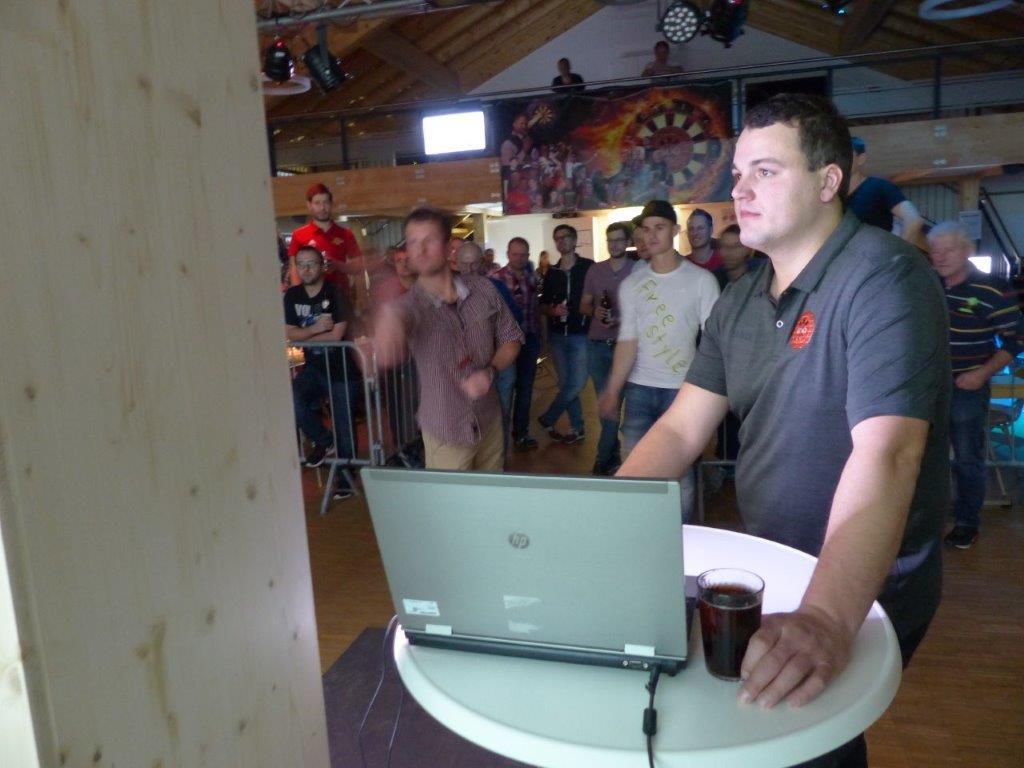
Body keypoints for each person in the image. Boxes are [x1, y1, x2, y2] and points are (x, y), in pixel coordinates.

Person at [618, 94, 950, 767]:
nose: (739, 191)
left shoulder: (884, 275)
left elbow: (889, 453)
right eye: (738, 174)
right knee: (757, 736)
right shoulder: (740, 299)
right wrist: (597, 514)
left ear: (828, 181)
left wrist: (826, 617)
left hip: (863, 582)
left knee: (810, 744)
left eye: (765, 172)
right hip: (772, 562)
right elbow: (680, 429)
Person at [375, 208, 523, 471]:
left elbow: (511, 338)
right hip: (446, 431)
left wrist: (490, 371)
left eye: (428, 240)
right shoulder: (408, 307)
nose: (419, 250)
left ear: (447, 247)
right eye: (412, 242)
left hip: (489, 420)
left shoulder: (483, 289)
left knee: (492, 493)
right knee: (451, 498)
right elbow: (388, 345)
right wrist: (385, 324)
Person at [597, 201, 719, 517]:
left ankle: (680, 537)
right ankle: (641, 531)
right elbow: (628, 340)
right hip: (639, 389)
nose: (650, 235)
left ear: (675, 231)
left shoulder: (701, 281)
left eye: (659, 228)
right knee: (634, 468)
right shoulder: (632, 284)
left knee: (680, 475)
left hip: (682, 391)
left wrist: (706, 396)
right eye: (646, 229)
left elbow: (713, 342)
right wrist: (613, 389)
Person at [927, 221, 1022, 550]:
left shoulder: (993, 289)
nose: (940, 257)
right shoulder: (927, 284)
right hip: (926, 388)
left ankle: (967, 522)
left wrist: (982, 374)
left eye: (948, 250)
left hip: (966, 387)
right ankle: (928, 519)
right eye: (935, 251)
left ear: (968, 251)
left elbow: (1016, 339)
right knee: (925, 457)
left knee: (967, 457)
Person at [284, 245, 358, 500]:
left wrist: (302, 336)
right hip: (314, 368)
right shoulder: (292, 296)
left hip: (342, 368)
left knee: (344, 423)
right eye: (301, 264)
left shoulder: (336, 293)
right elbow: (289, 334)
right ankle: (324, 441)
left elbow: (336, 337)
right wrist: (316, 329)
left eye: (311, 264)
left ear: (321, 266)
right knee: (292, 400)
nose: (306, 269)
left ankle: (346, 479)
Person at [580, 222, 636, 475]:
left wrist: (621, 319)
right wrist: (595, 311)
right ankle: (611, 455)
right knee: (606, 405)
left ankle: (602, 460)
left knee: (615, 403)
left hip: (625, 346)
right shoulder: (595, 270)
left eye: (619, 240)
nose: (614, 244)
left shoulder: (637, 270)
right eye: (610, 240)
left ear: (627, 242)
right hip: (597, 345)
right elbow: (583, 306)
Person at [537, 225, 593, 444]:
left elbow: (598, 298)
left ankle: (549, 416)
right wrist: (553, 310)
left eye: (565, 237)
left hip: (581, 334)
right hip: (558, 335)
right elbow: (543, 305)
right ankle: (578, 427)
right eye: (557, 238)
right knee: (566, 383)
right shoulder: (552, 272)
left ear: (575, 239)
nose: (561, 242)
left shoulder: (588, 267)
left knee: (577, 382)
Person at [494, 238, 543, 452]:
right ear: (508, 254)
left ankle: (521, 434)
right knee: (505, 390)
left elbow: (535, 308)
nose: (519, 258)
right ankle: (500, 439)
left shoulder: (532, 278)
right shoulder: (496, 279)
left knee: (525, 389)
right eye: (515, 254)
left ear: (528, 255)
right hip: (506, 343)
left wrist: (540, 336)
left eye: (523, 254)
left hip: (529, 339)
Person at [848, 137, 926, 248]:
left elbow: (913, 219)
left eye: (847, 155)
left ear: (861, 159)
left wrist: (899, 251)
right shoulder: (833, 195)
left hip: (877, 254)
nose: (841, 161)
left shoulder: (879, 186)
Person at [287, 183, 363, 295]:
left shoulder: (346, 234)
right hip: (311, 297)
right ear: (309, 205)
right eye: (317, 203)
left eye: (326, 202)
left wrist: (338, 265)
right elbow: (294, 269)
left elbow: (358, 267)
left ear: (331, 204)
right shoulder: (298, 235)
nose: (322, 208)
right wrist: (298, 296)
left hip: (339, 296)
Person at [713, 223, 756, 289]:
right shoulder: (714, 279)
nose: (728, 252)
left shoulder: (761, 274)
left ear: (748, 249)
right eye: (724, 246)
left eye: (736, 246)